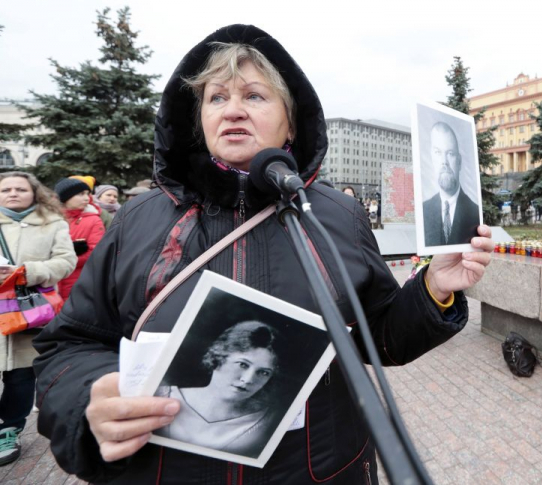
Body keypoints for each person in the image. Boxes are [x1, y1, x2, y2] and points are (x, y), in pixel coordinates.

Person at [33, 25, 494, 484]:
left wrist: (433, 289)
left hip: (322, 470)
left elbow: (378, 337)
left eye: (254, 96)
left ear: (290, 122)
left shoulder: (337, 214)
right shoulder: (140, 218)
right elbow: (69, 344)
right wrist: (86, 399)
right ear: (199, 118)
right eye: (216, 98)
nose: (232, 109)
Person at [0, 172, 76, 466]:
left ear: (34, 193)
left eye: (21, 188)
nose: (13, 193)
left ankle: (10, 428)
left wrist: (27, 271)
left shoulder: (53, 223)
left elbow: (66, 261)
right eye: (6, 189)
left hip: (29, 311)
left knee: (21, 376)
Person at [155, 321, 286, 457]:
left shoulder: (267, 423)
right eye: (242, 364)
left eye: (263, 372)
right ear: (219, 357)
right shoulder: (162, 396)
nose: (247, 379)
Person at [422, 122, 480, 246]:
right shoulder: (423, 211)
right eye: (438, 152)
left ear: (459, 161)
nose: (444, 162)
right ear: (432, 158)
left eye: (450, 154)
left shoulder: (475, 213)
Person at [53, 178, 105, 301]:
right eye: (81, 194)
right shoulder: (50, 218)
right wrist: (69, 249)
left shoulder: (93, 219)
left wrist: (67, 257)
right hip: (52, 281)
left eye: (87, 194)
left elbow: (96, 252)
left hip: (78, 280)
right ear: (65, 197)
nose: (87, 198)